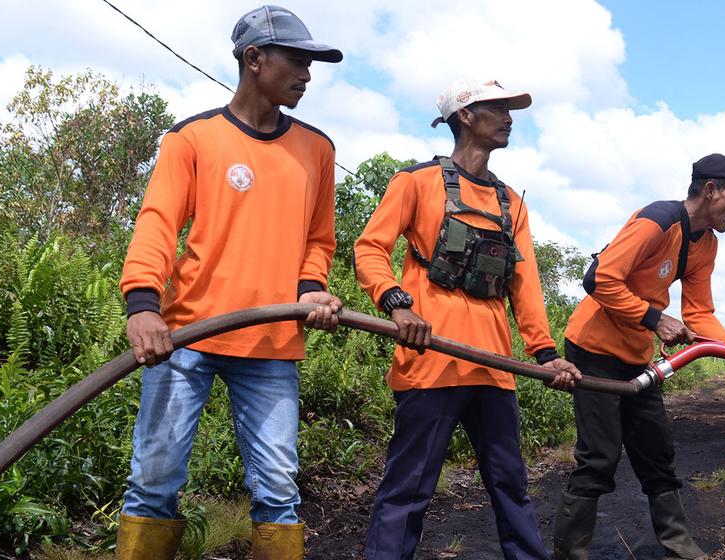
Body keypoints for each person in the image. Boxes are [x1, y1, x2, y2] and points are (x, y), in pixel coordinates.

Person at [113, 6, 343, 558]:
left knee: (279, 491)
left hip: (271, 342)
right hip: (186, 336)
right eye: (298, 61)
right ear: (254, 58)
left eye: (312, 64)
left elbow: (320, 239)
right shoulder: (192, 139)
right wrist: (142, 303)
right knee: (154, 482)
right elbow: (158, 223)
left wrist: (311, 288)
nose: (307, 76)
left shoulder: (317, 149)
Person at [354, 78, 581, 560]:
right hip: (432, 363)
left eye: (509, 109)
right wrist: (398, 303)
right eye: (496, 108)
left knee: (511, 488)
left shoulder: (510, 203)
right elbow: (370, 249)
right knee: (408, 491)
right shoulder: (415, 183)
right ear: (465, 117)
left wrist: (546, 355)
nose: (508, 117)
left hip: (495, 370)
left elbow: (525, 287)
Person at [553, 154, 725, 560]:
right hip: (592, 350)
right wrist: (654, 318)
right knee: (599, 456)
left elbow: (699, 314)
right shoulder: (658, 220)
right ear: (710, 190)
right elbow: (598, 279)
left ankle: (678, 545)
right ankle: (571, 553)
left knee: (657, 452)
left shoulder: (706, 244)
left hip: (637, 358)